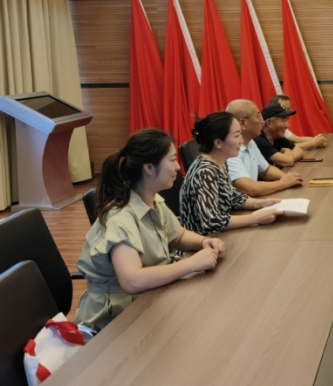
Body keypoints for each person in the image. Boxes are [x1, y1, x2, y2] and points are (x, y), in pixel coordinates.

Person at [75, 129, 225, 331]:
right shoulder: (121, 218)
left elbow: (178, 235)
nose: (177, 166)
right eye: (172, 160)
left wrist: (203, 242)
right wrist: (192, 264)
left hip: (147, 297)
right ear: (148, 168)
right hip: (113, 318)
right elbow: (132, 281)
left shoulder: (152, 200)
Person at [180, 112, 284, 235]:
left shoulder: (221, 162)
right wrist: (256, 218)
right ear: (218, 143)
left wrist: (261, 203)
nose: (241, 140)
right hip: (202, 241)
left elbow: (233, 197)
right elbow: (211, 221)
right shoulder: (204, 173)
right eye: (237, 135)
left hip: (220, 235)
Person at [225, 99, 304, 197]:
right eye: (258, 116)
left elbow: (266, 171)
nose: (262, 121)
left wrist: (287, 177)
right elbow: (249, 189)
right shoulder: (229, 150)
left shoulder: (251, 142)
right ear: (243, 123)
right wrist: (283, 183)